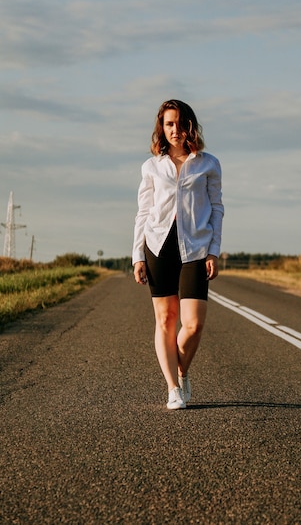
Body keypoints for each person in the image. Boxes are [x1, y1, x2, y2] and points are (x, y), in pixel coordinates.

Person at [132, 99, 224, 410]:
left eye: (180, 123)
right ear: (162, 127)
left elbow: (217, 209)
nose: (175, 130)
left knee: (193, 324)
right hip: (158, 246)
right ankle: (173, 387)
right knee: (165, 319)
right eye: (169, 124)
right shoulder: (151, 167)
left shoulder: (208, 164)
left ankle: (182, 370)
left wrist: (214, 250)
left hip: (196, 247)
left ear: (190, 127)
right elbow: (143, 212)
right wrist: (137, 256)